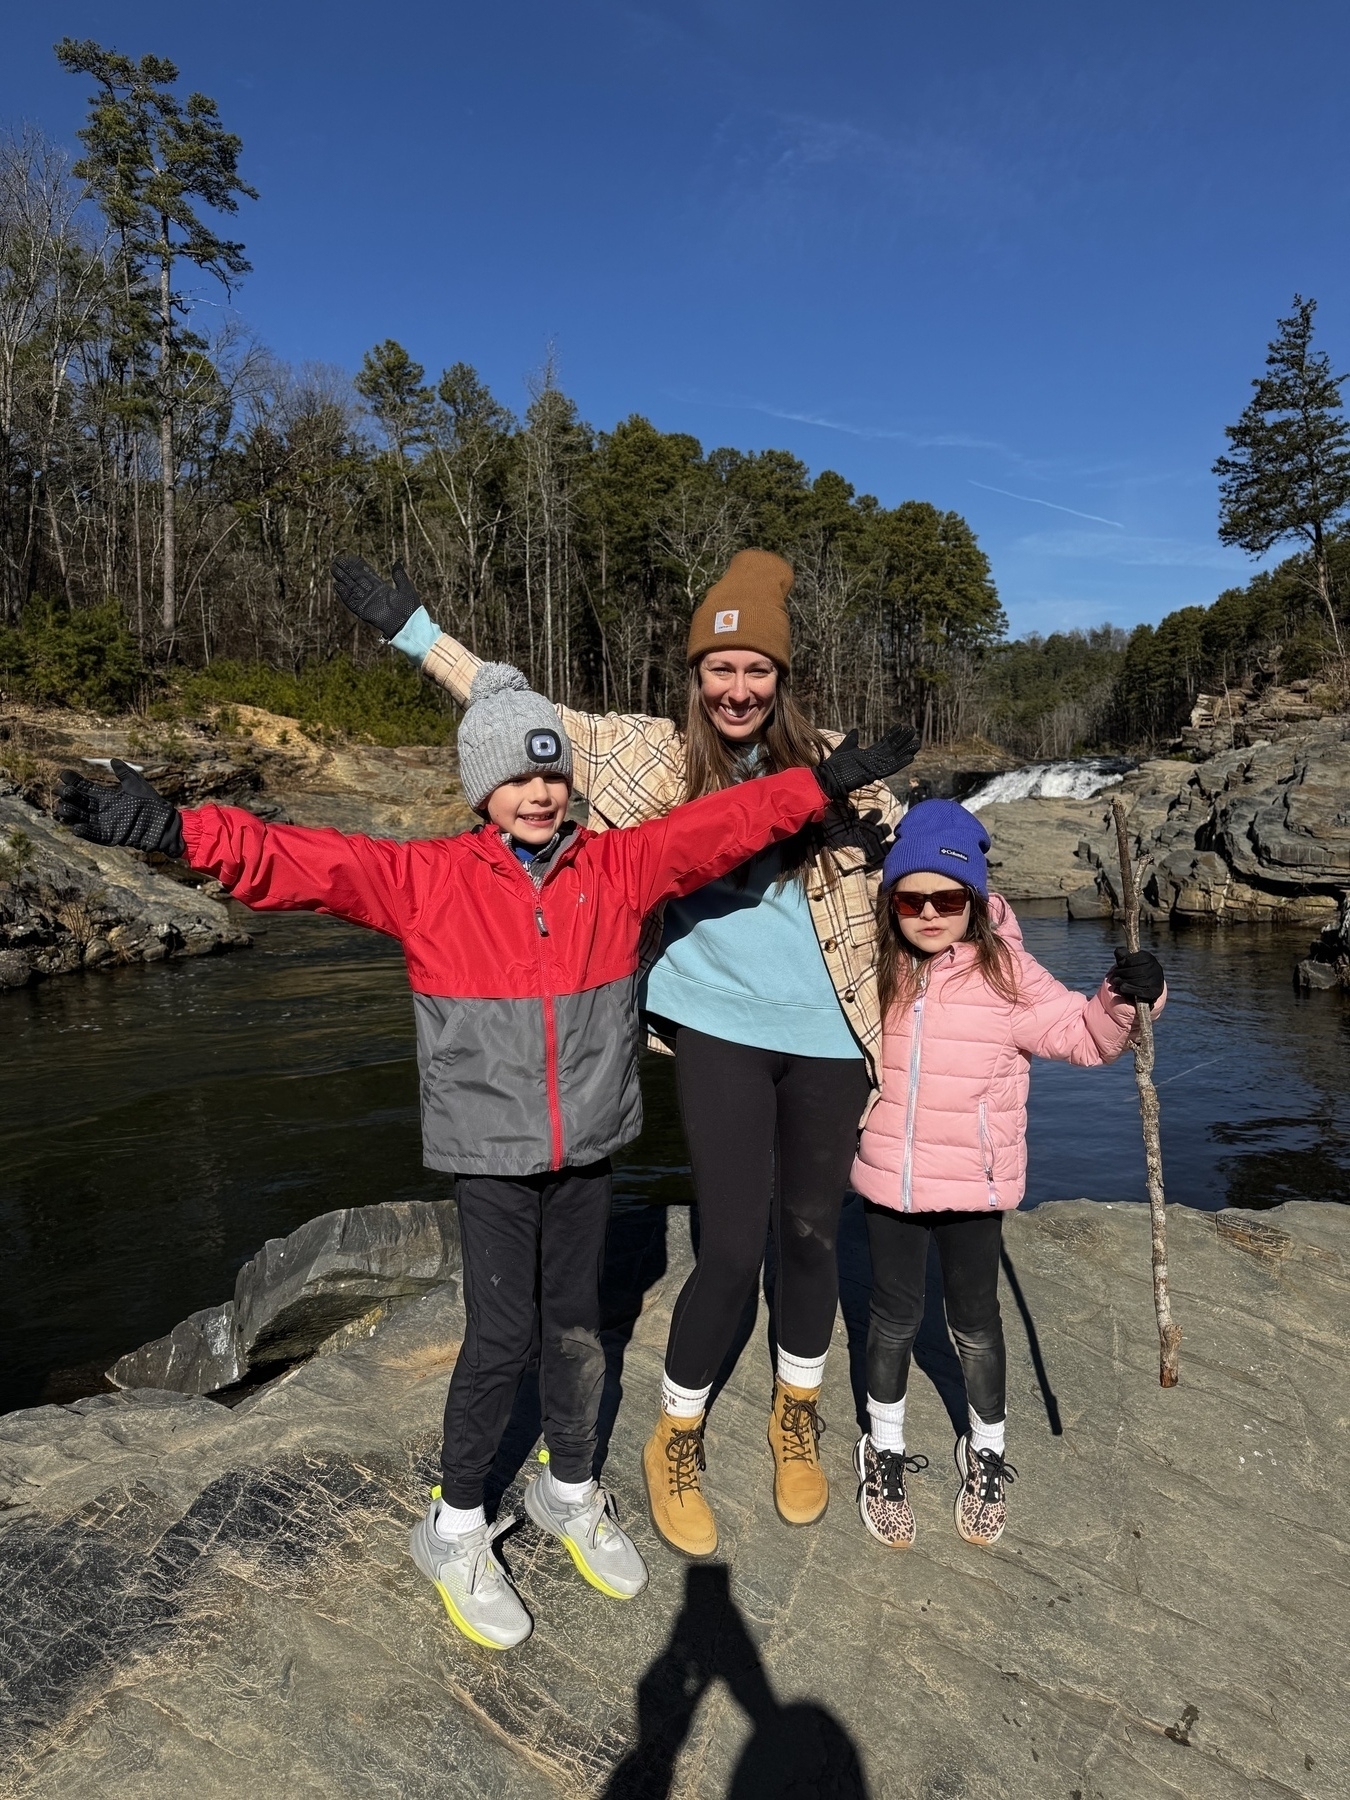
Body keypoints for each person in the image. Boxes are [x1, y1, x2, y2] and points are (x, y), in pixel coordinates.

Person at [55, 662, 916, 1646]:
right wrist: (178, 833)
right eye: (516, 777)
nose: (540, 792)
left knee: (582, 1331)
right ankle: (455, 1525)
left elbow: (717, 828)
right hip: (493, 1160)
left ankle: (569, 1490)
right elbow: (307, 862)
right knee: (501, 1342)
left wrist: (819, 782)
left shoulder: (618, 866)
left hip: (587, 1150)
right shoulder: (427, 881)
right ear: (481, 790)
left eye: (551, 774)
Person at [334, 550, 918, 1558]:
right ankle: (675, 1436)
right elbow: (509, 704)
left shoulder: (839, 766)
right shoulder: (645, 756)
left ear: (783, 676)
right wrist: (412, 630)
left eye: (756, 670)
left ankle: (796, 1418)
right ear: (694, 676)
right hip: (715, 1023)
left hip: (829, 1030)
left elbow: (933, 888)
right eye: (718, 669)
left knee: (816, 1235)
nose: (736, 689)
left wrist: (994, 924)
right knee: (734, 1245)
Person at [849, 798, 1165, 1550]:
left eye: (948, 898)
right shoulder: (870, 966)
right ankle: (883, 1449)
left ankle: (985, 1448)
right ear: (891, 901)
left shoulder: (1010, 973)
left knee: (976, 1324)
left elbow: (1083, 1037)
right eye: (910, 898)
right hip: (888, 1178)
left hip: (974, 1185)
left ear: (978, 902)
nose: (929, 912)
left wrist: (1126, 997)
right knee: (891, 1318)